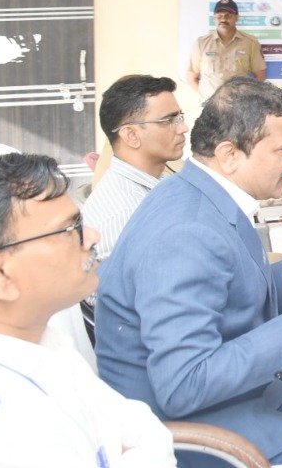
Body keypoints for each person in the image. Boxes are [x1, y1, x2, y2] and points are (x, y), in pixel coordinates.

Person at [95, 78, 282, 465]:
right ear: (230, 155)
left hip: (248, 401)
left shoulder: (198, 193)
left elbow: (227, 298)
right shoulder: (185, 233)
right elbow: (184, 384)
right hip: (206, 436)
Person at [0, 153, 175, 466]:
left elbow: (147, 430)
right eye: (69, 229)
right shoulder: (7, 425)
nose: (92, 236)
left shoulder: (46, 344)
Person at [78, 74, 187, 367]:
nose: (182, 128)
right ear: (131, 135)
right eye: (169, 121)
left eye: (180, 117)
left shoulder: (158, 180)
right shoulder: (124, 214)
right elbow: (142, 315)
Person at [185, 0, 265, 97]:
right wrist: (207, 98)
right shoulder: (201, 43)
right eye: (219, 16)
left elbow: (260, 75)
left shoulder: (250, 42)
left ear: (237, 17)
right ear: (214, 17)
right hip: (209, 103)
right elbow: (191, 78)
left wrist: (247, 98)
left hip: (239, 104)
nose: (223, 19)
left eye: (228, 15)